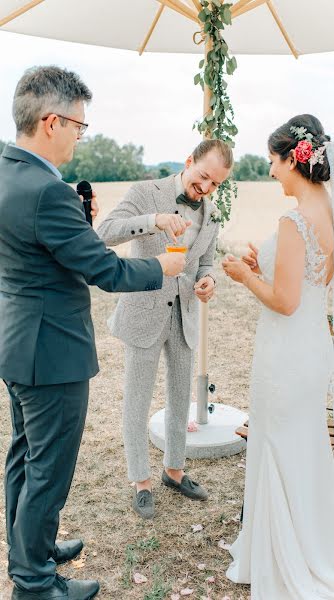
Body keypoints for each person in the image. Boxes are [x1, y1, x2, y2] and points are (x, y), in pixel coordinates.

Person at [0, 65, 184, 600]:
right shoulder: (46, 191)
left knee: (24, 458)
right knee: (48, 470)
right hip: (51, 352)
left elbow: (45, 250)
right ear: (52, 122)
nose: (82, 135)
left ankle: (31, 550)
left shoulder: (11, 172)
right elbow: (103, 272)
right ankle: (34, 584)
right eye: (80, 125)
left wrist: (78, 223)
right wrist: (162, 271)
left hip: (17, 343)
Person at [222, 114, 334, 599]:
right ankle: (315, 539)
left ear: (294, 160)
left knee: (280, 443)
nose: (271, 171)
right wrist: (269, 267)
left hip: (287, 350)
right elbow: (317, 279)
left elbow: (285, 301)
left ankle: (288, 553)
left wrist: (243, 275)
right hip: (313, 348)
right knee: (304, 445)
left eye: (274, 161)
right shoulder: (331, 208)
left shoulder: (293, 218)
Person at [97, 139, 233, 519]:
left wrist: (209, 281)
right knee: (137, 401)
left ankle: (174, 471)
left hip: (185, 315)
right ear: (188, 162)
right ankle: (141, 482)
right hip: (143, 313)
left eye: (215, 184)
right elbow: (105, 232)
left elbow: (205, 262)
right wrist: (154, 220)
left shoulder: (213, 213)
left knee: (179, 400)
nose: (205, 188)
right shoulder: (145, 192)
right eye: (203, 176)